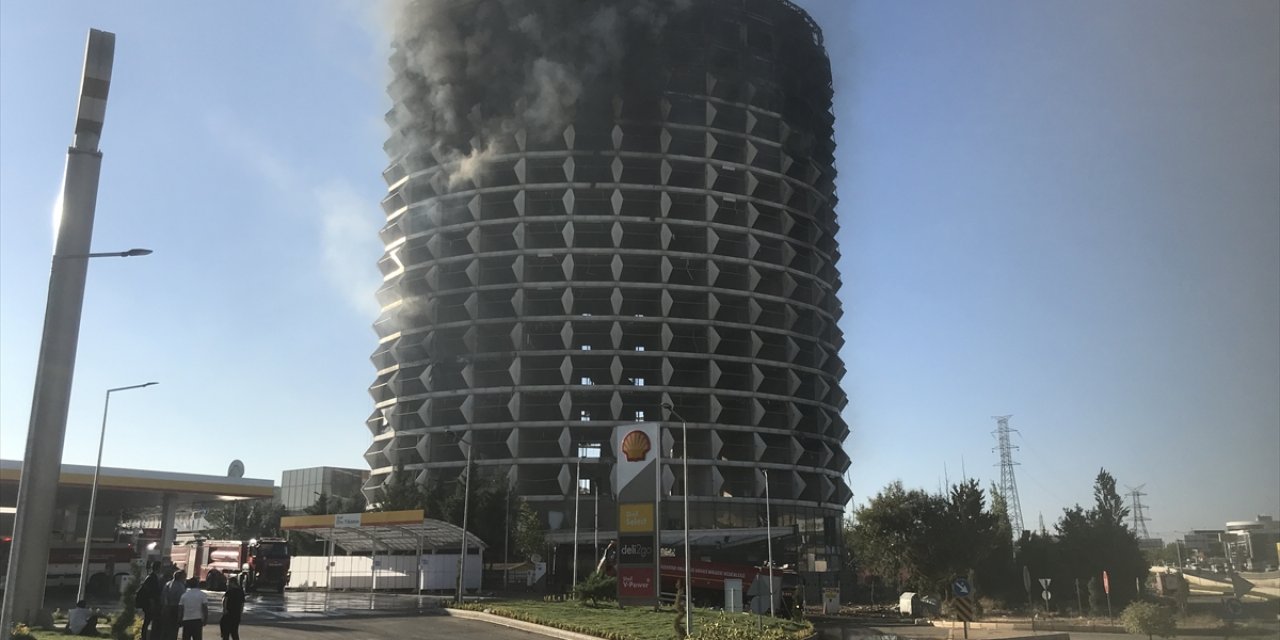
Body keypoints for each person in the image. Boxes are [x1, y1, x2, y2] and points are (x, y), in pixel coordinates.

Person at [135, 561, 163, 640]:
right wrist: (153, 604)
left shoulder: (152, 577)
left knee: (148, 621)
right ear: (158, 568)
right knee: (148, 621)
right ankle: (144, 637)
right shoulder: (152, 578)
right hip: (150, 604)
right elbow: (151, 593)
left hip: (149, 603)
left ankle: (146, 636)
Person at [160, 569, 188, 640]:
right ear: (181, 577)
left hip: (167, 608)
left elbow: (163, 596)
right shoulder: (180, 586)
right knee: (174, 629)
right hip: (175, 609)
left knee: (166, 628)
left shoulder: (168, 584)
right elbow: (181, 599)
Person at [219, 575, 245, 640]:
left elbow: (225, 600)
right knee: (234, 632)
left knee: (225, 630)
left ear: (232, 582)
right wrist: (240, 613)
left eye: (229, 582)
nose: (227, 584)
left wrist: (224, 609)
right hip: (236, 614)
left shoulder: (229, 591)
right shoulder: (241, 592)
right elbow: (242, 604)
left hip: (228, 613)